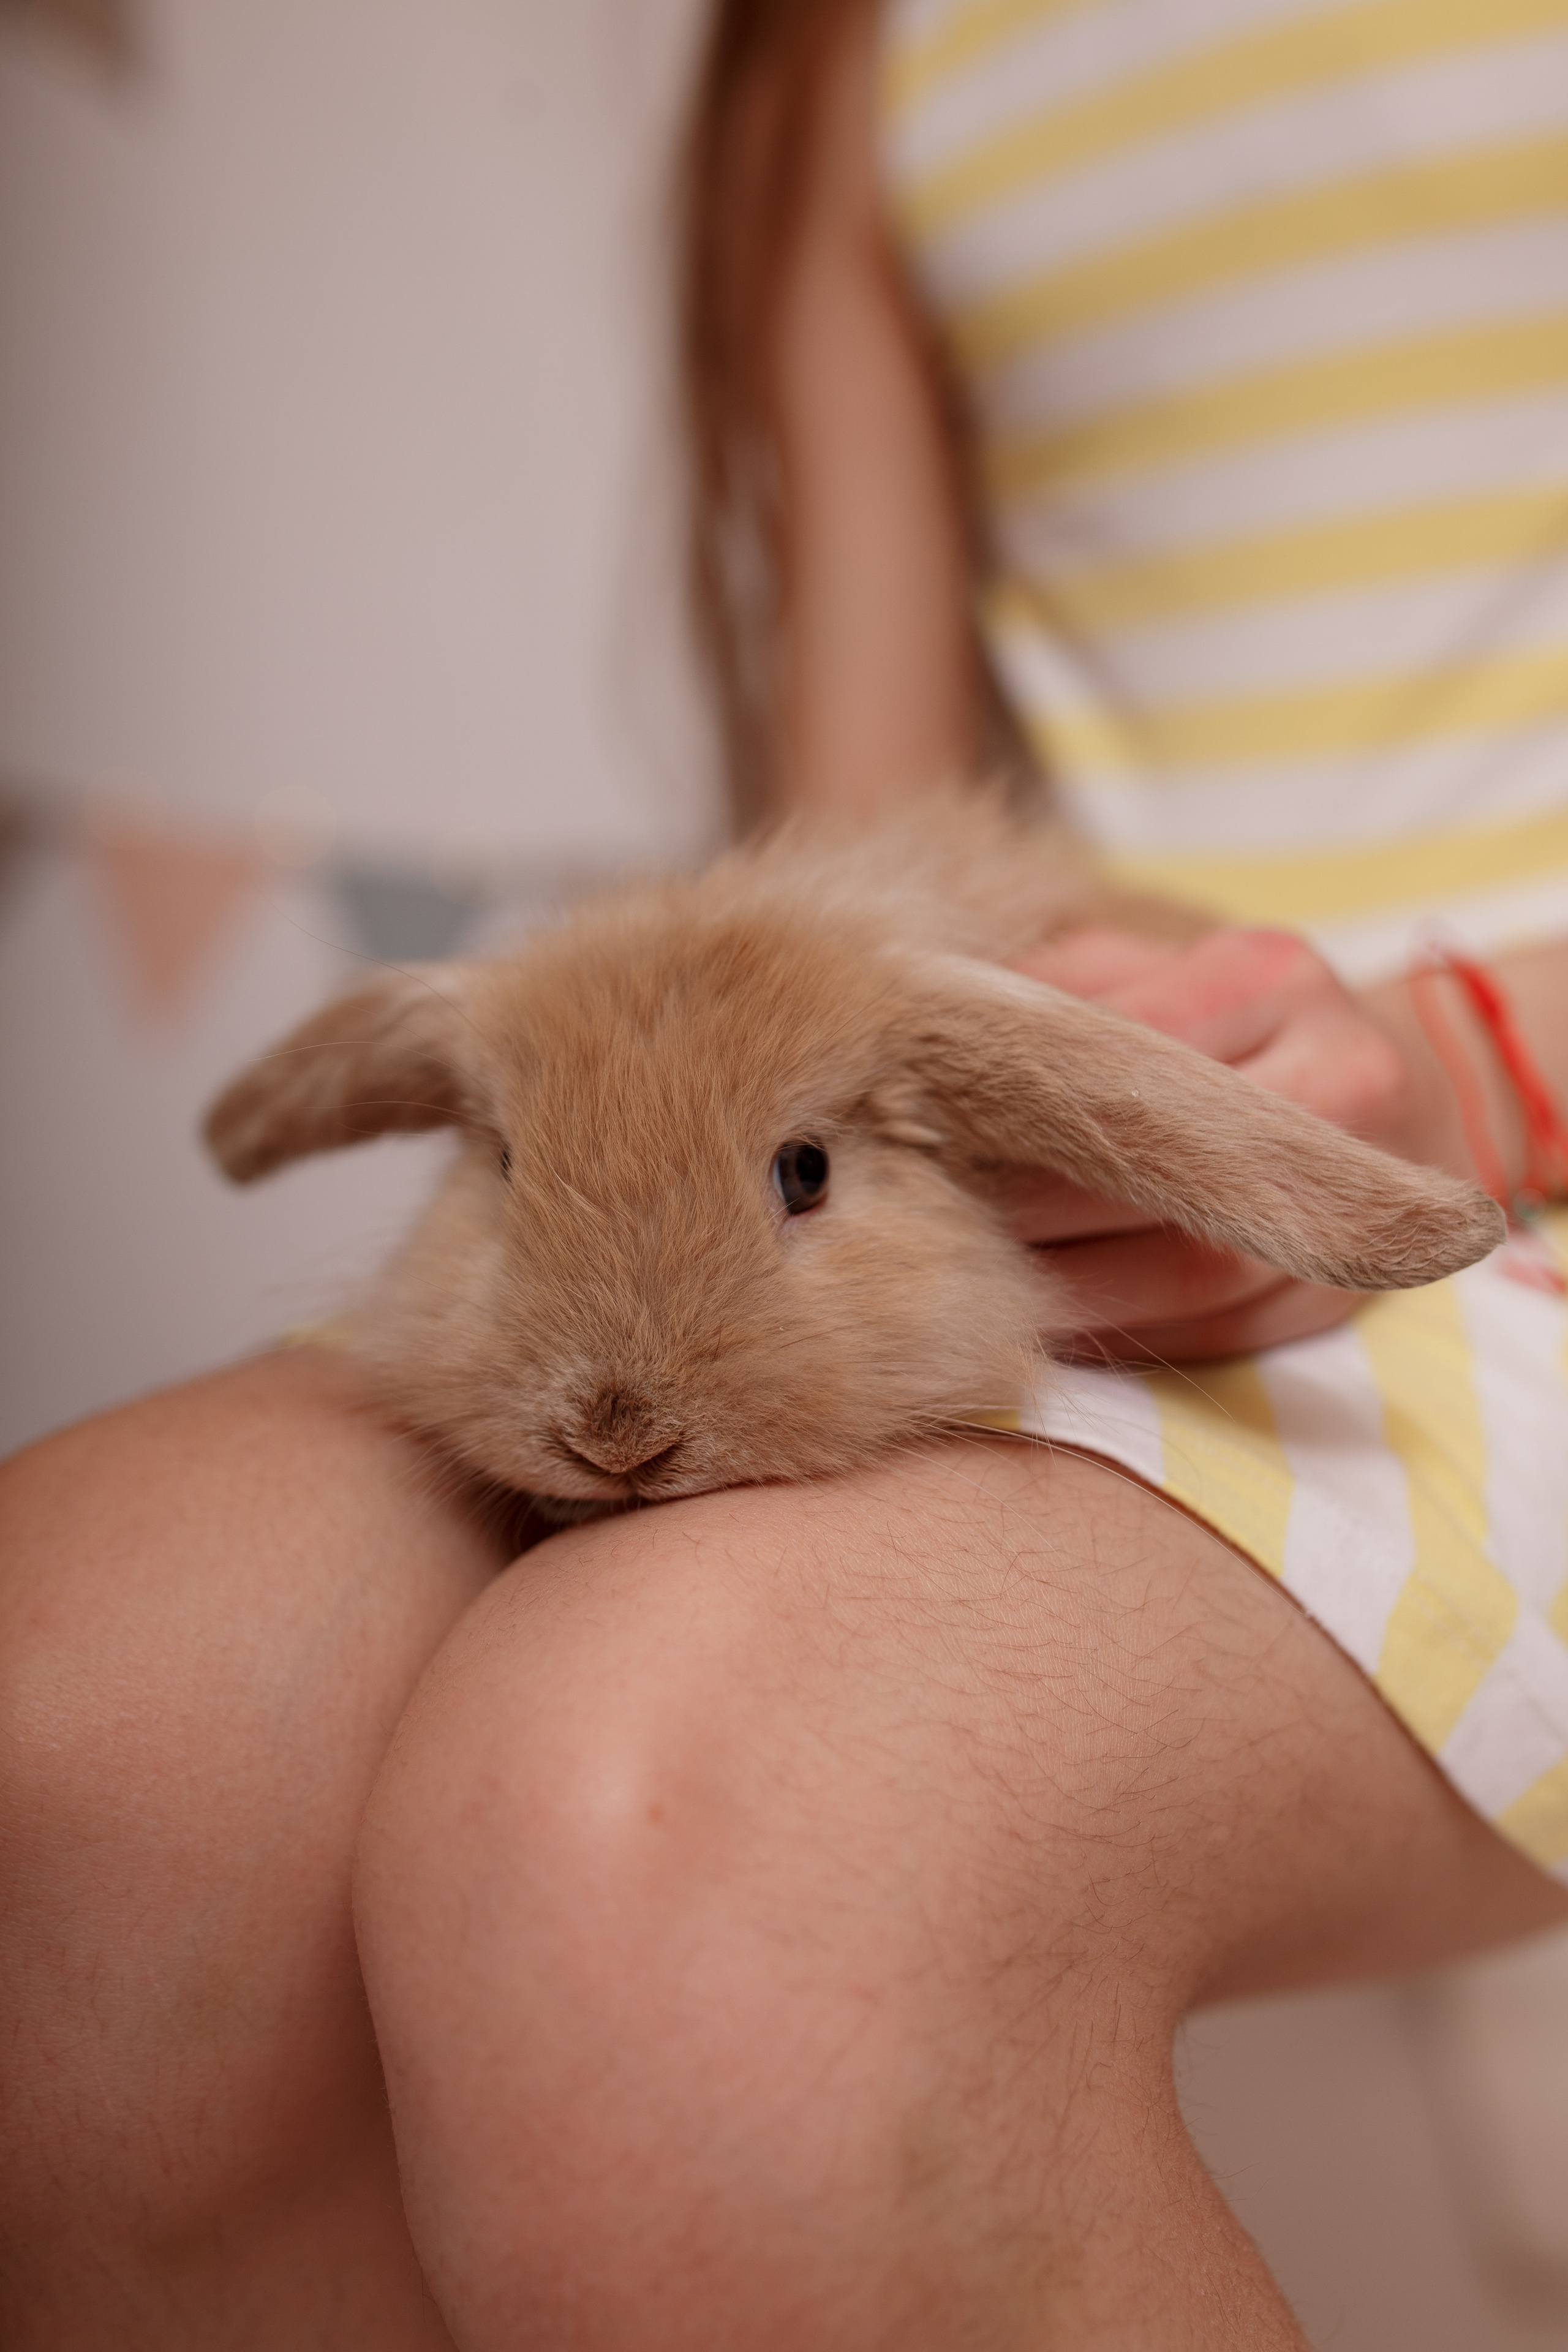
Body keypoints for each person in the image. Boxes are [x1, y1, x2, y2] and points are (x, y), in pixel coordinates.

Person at [4, 0, 1568, 2341]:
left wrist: (1460, 1068)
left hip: (1480, 1166)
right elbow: (859, 825)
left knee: (660, 1851)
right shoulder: (857, 44)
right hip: (1036, 1123)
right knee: (84, 1715)